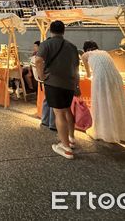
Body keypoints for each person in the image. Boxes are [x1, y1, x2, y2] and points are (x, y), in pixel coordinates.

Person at [34, 21, 80, 159]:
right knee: (67, 110)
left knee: (58, 113)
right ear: (63, 31)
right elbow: (76, 68)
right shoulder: (72, 46)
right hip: (70, 83)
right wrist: (77, 85)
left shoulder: (46, 44)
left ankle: (66, 148)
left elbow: (38, 61)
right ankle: (71, 139)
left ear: (50, 30)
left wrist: (42, 76)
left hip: (54, 83)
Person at [81, 41, 125, 144]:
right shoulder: (104, 52)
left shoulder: (85, 55)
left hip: (101, 80)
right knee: (115, 104)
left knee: (101, 105)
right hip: (116, 78)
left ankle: (102, 131)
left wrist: (88, 75)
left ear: (85, 49)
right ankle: (119, 132)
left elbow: (88, 73)